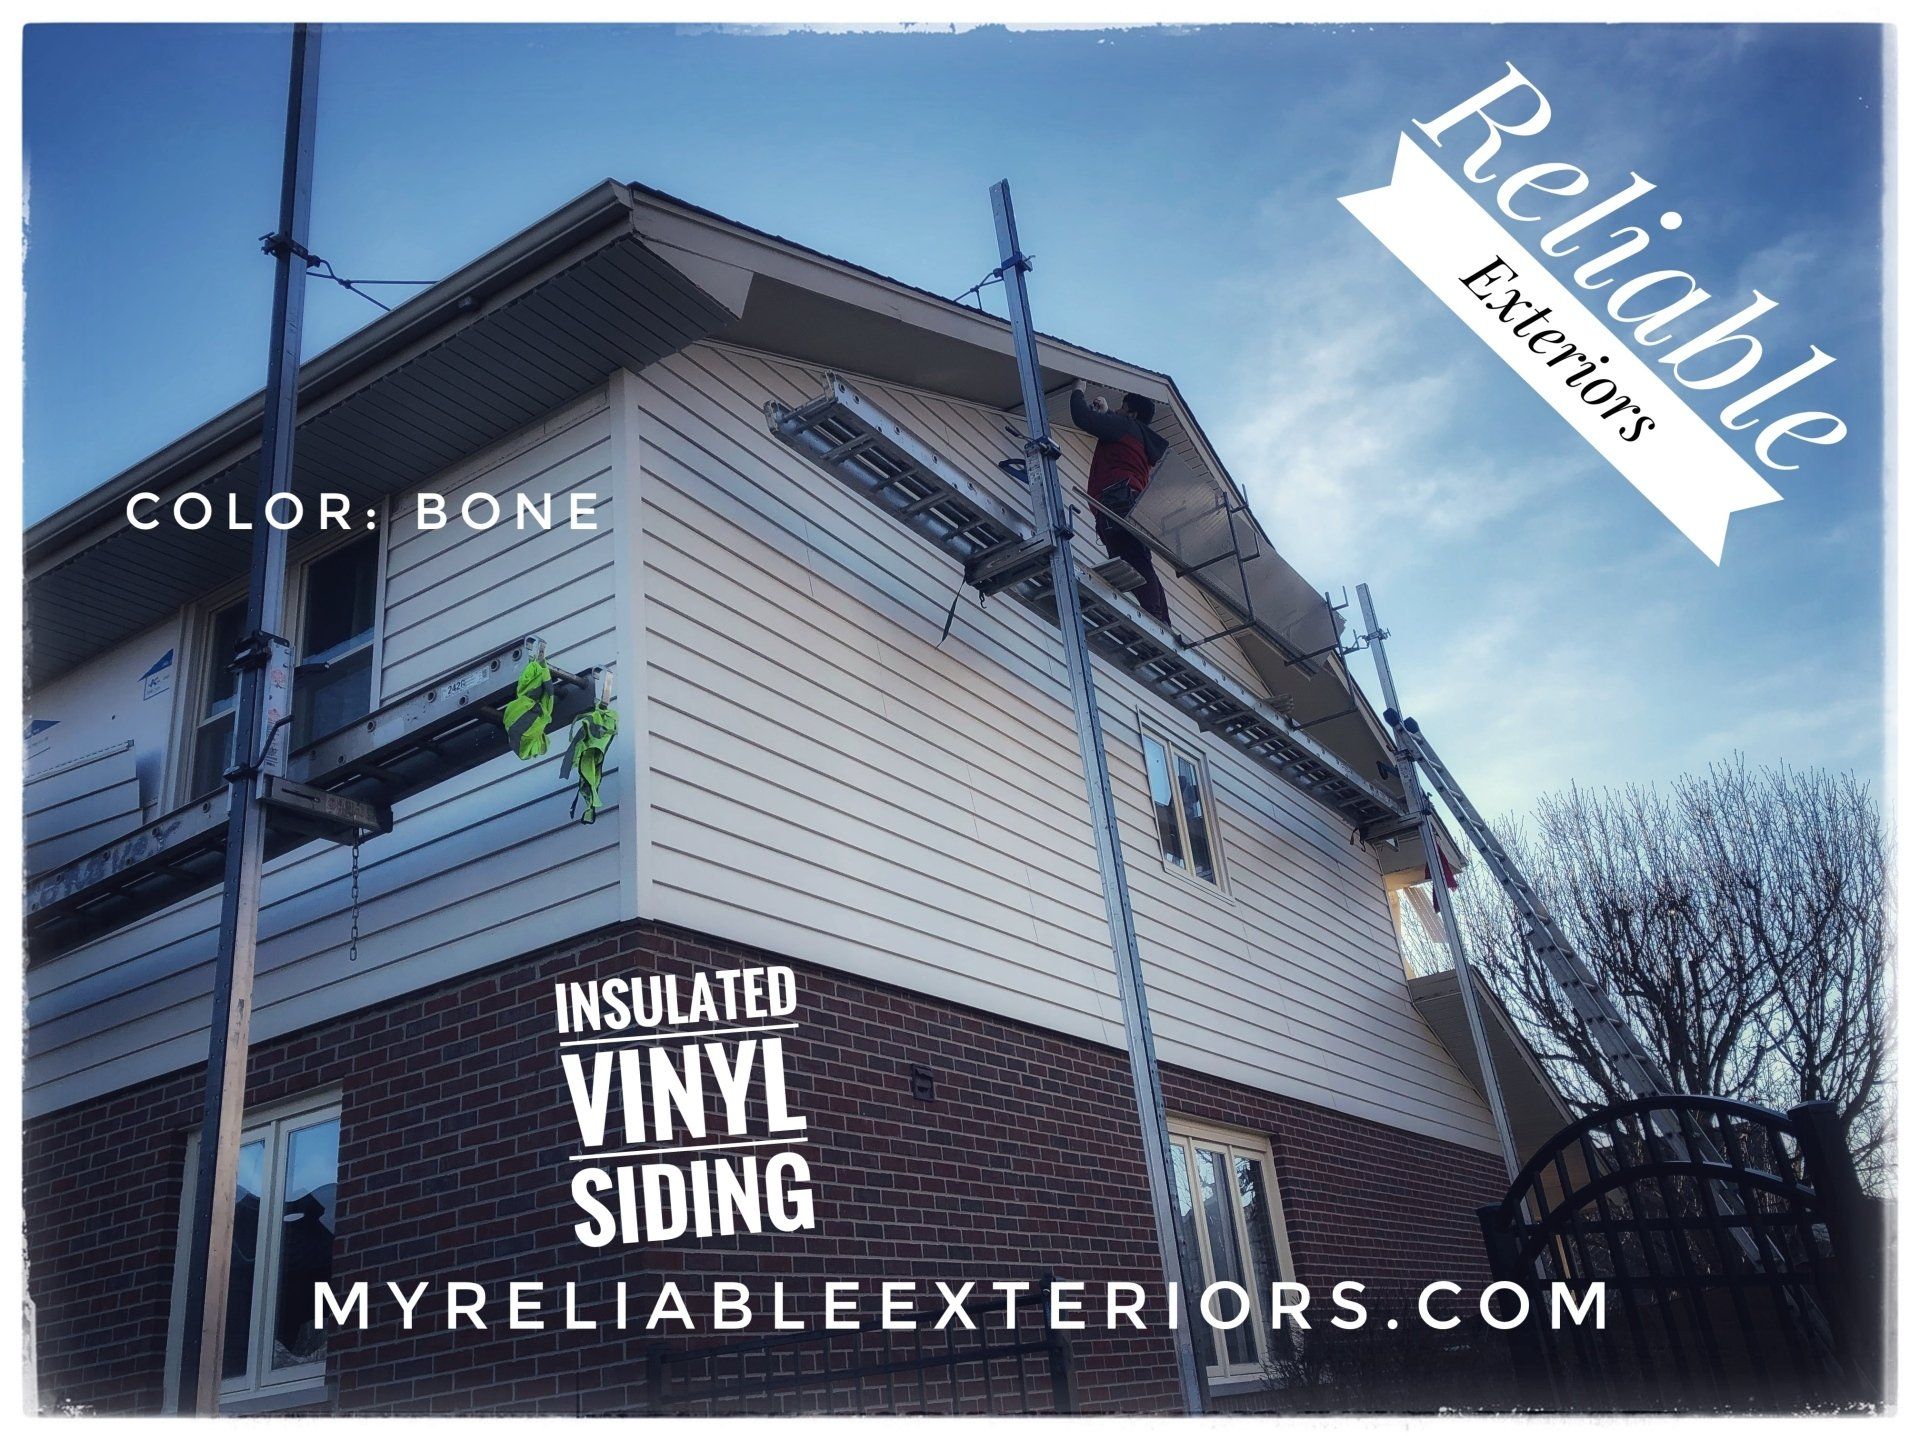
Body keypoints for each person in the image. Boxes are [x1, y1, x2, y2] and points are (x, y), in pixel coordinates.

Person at [1068, 380, 1171, 624]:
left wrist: (1078, 390)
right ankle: (1160, 618)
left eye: (1123, 409)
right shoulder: (1140, 441)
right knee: (1139, 559)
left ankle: (1156, 617)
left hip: (1118, 501)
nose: (1119, 412)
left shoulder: (1126, 427)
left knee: (1135, 560)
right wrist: (1108, 413)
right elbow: (1114, 429)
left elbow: (1082, 417)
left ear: (1132, 414)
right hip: (1129, 503)